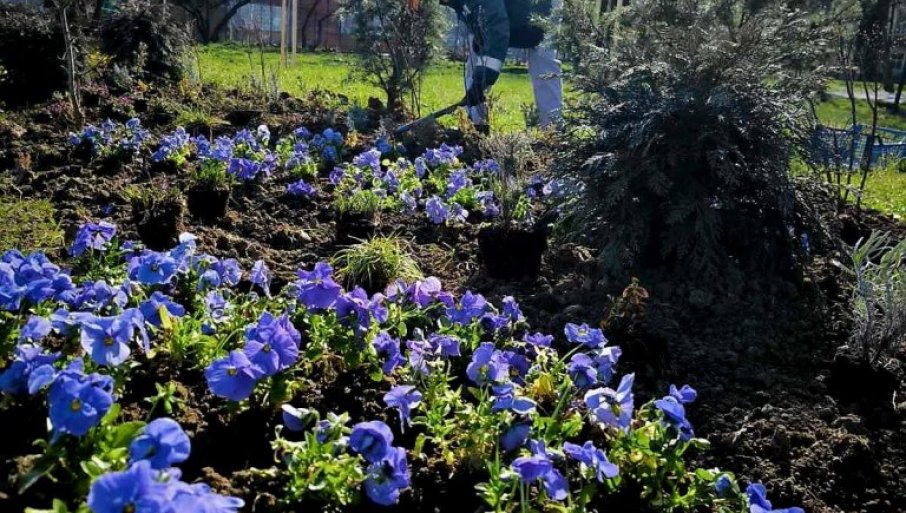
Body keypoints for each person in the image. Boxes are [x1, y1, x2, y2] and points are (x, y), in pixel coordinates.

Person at [442, 0, 563, 133]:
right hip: (505, 13)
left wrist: (481, 82)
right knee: (476, 64)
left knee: (544, 68)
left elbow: (497, 27)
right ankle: (475, 129)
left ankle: (553, 132)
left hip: (541, 10)